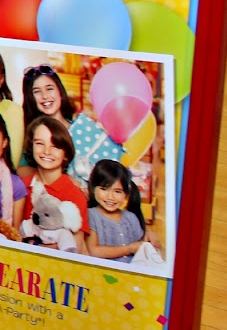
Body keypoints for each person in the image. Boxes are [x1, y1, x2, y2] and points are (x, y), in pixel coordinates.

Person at [21, 64, 110, 184]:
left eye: (49, 89)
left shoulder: (82, 127)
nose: (45, 96)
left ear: (60, 92)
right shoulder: (33, 133)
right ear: (30, 98)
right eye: (37, 92)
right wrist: (65, 179)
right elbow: (21, 170)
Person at [21, 115, 88, 253]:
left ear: (66, 154)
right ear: (31, 147)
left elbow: (76, 248)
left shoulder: (75, 194)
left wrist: (35, 247)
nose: (47, 151)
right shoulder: (22, 186)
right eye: (40, 143)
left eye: (55, 146)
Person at [85, 159, 154, 265]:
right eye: (104, 189)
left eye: (117, 191)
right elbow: (93, 251)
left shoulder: (130, 217)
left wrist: (149, 237)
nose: (110, 197)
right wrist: (128, 249)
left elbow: (140, 245)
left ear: (126, 194)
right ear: (93, 188)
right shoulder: (91, 215)